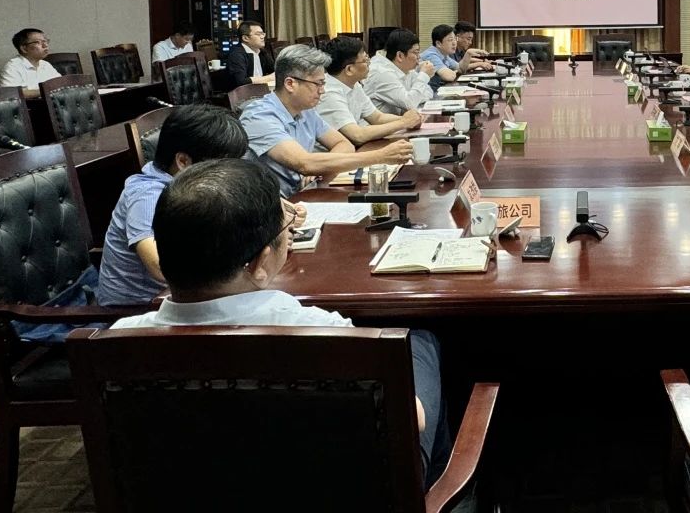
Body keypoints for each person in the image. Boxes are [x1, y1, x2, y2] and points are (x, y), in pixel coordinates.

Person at [110, 159, 451, 482]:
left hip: (185, 494)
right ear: (260, 263)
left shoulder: (117, 342)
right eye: (286, 232)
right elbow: (412, 420)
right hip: (337, 491)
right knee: (420, 343)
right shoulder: (322, 333)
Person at [97, 104, 251, 306]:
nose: (229, 174)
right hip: (138, 309)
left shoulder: (195, 184)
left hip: (185, 296)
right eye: (222, 166)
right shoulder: (147, 195)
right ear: (183, 161)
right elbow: (162, 267)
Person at [239, 44, 411, 196]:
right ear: (290, 84)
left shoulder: (305, 110)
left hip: (302, 196)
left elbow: (344, 144)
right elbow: (304, 163)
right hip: (269, 207)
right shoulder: (259, 116)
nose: (322, 91)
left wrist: (321, 165)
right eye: (318, 84)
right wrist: (380, 156)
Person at [318, 36, 424, 146]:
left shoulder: (354, 84)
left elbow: (377, 118)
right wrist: (403, 123)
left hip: (354, 148)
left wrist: (409, 120)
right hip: (334, 154)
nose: (370, 64)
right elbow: (357, 135)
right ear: (349, 69)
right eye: (365, 61)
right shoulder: (329, 93)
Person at [365, 28, 436, 115]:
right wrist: (424, 75)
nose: (419, 57)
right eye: (415, 53)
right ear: (400, 56)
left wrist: (414, 97)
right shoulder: (381, 72)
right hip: (378, 123)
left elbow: (428, 92)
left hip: (397, 120)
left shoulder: (405, 67)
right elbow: (410, 103)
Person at [419, 24, 493, 91]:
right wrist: (453, 72)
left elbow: (461, 69)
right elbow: (449, 77)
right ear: (438, 43)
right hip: (427, 95)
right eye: (450, 40)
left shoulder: (444, 55)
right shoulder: (431, 55)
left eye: (455, 39)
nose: (454, 43)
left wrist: (468, 54)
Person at [0, 27, 60, 93]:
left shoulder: (45, 64)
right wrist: (46, 91)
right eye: (37, 42)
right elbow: (12, 93)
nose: (45, 45)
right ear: (24, 49)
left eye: (45, 41)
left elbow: (61, 85)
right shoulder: (12, 68)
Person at [224, 21, 274, 90]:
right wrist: (269, 78)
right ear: (245, 38)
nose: (262, 37)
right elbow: (241, 81)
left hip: (260, 91)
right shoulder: (236, 54)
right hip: (242, 94)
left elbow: (275, 70)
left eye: (262, 34)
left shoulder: (262, 52)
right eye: (258, 34)